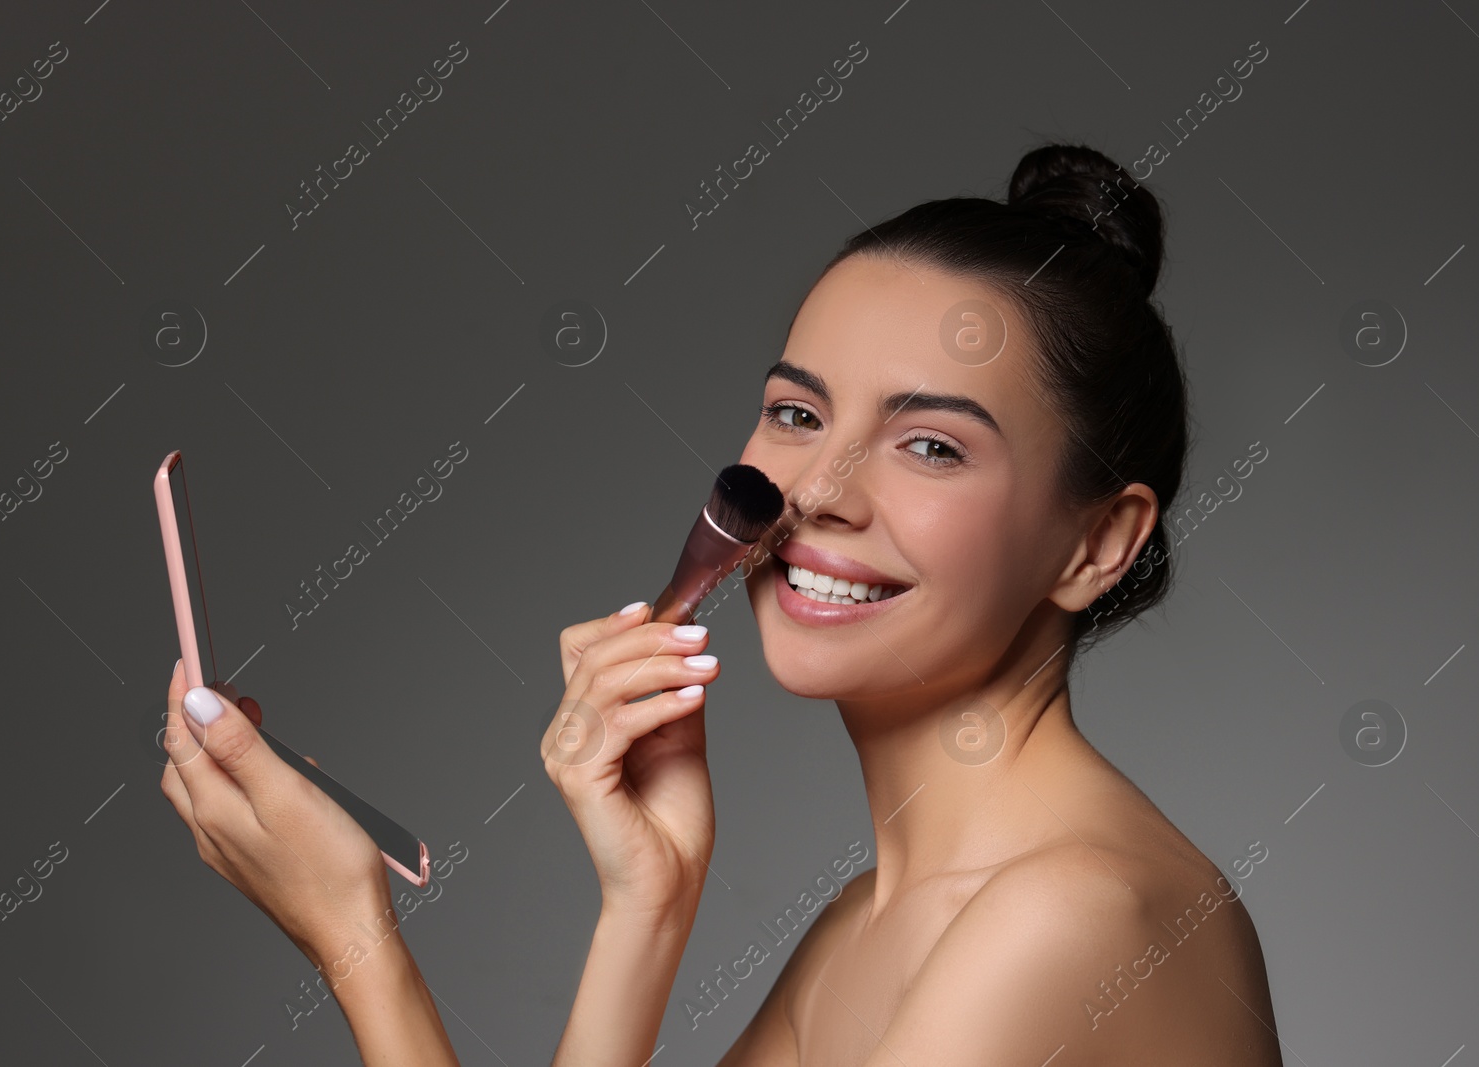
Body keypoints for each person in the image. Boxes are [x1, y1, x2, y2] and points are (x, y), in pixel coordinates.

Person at [160, 141, 1285, 1066]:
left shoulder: (1072, 920)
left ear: (1095, 543)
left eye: (931, 444)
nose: (816, 496)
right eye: (797, 416)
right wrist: (648, 902)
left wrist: (357, 939)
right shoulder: (869, 924)